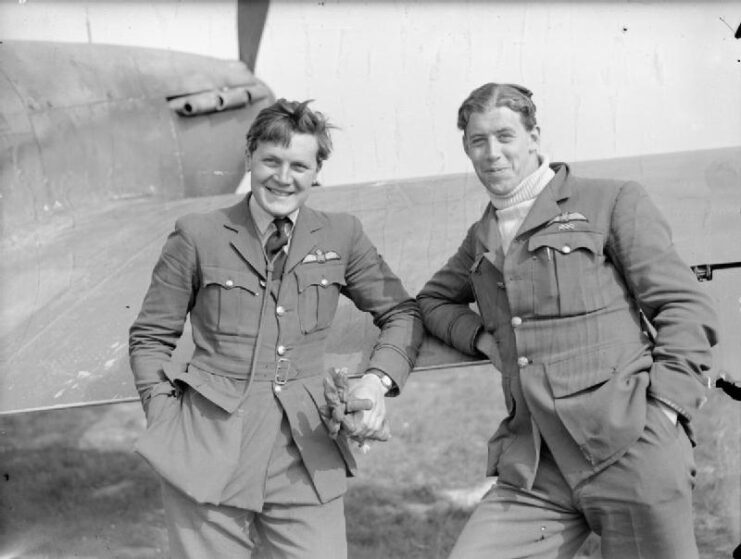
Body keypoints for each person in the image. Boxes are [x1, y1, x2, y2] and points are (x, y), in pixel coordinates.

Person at [417, 83, 718, 559]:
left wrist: (665, 412)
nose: (492, 153)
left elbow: (685, 307)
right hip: (536, 465)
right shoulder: (482, 237)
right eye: (478, 141)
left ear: (534, 137)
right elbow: (432, 301)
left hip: (629, 447)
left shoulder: (610, 201)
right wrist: (482, 339)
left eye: (505, 136)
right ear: (467, 149)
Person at [129, 99, 423, 559]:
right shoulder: (198, 234)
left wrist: (377, 379)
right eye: (271, 161)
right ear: (249, 158)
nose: (283, 178)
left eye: (299, 166)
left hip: (306, 450)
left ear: (316, 171)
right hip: (208, 445)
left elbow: (403, 312)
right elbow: (150, 337)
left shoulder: (341, 234)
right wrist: (164, 416)